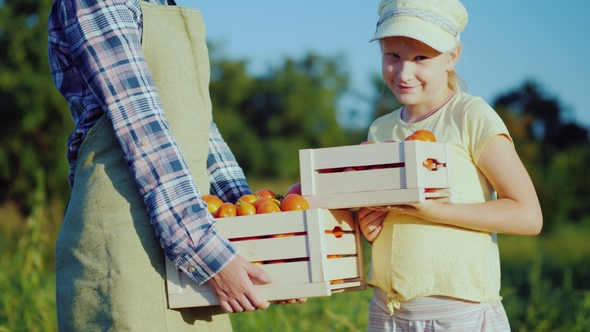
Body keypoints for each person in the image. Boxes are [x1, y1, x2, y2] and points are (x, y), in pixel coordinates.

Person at [48, 0, 303, 330]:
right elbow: (143, 129)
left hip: (191, 238)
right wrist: (208, 255)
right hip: (125, 250)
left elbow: (202, 132)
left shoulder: (164, 6)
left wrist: (259, 238)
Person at [357, 0, 543, 330]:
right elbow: (391, 219)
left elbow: (528, 215)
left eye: (421, 58)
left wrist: (434, 211)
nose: (404, 73)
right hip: (388, 312)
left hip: (458, 314)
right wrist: (371, 227)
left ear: (452, 57)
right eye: (393, 56)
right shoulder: (380, 130)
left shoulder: (469, 116)